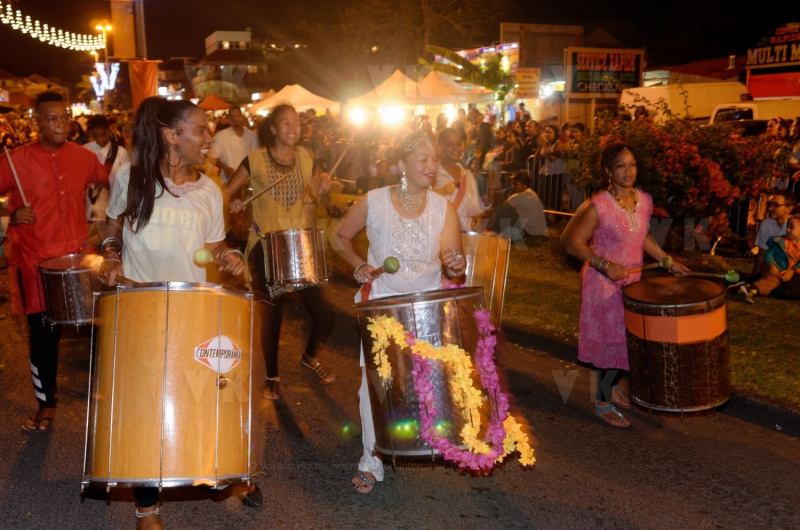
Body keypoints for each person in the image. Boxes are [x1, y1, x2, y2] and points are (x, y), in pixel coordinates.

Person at [101, 97, 249, 529]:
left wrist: (229, 256)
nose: (208, 139)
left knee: (201, 396)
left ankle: (212, 471)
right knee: (147, 407)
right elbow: (111, 228)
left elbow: (215, 244)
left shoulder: (210, 190)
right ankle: (147, 507)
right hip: (140, 308)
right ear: (171, 135)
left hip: (192, 308)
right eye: (200, 130)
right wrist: (110, 257)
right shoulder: (131, 179)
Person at [333, 131, 466, 493]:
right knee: (374, 385)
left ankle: (419, 441)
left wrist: (456, 263)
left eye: (435, 158)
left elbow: (456, 262)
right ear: (402, 165)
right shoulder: (374, 201)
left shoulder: (443, 207)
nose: (432, 165)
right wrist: (358, 264)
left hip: (426, 308)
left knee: (423, 384)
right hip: (381, 304)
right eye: (423, 159)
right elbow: (339, 236)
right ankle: (371, 460)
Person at [0, 91, 107, 432]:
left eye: (64, 117)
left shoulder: (84, 157)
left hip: (78, 258)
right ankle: (46, 404)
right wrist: (10, 214)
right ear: (37, 123)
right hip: (35, 261)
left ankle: (111, 391)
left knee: (99, 326)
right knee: (44, 335)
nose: (60, 124)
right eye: (51, 119)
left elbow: (108, 182)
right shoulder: (15, 159)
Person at [562, 143, 689, 428]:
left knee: (627, 341)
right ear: (608, 171)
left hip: (632, 282)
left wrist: (666, 260)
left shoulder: (644, 200)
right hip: (602, 283)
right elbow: (573, 243)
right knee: (611, 341)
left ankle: (612, 385)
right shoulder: (599, 206)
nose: (628, 171)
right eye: (620, 166)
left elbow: (642, 236)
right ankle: (602, 402)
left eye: (632, 164)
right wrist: (604, 265)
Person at [226, 104, 334, 401]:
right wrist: (235, 202)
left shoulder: (306, 158)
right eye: (285, 123)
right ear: (273, 128)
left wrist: (323, 190)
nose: (292, 128)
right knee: (273, 315)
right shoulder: (255, 160)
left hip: (298, 245)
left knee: (324, 314)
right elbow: (227, 192)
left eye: (296, 123)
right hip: (265, 244)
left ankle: (310, 357)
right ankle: (272, 376)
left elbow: (316, 200)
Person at [434, 127, 493, 231]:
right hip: (440, 234)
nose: (456, 148)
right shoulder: (432, 174)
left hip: (464, 235)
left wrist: (484, 202)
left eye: (458, 144)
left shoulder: (467, 175)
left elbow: (472, 209)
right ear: (439, 147)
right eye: (449, 144)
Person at [741, 211, 800, 302]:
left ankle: (749, 286)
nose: (787, 229)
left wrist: (792, 271)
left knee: (778, 282)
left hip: (785, 272)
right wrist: (771, 264)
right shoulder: (782, 242)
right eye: (787, 226)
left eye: (791, 227)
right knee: (772, 281)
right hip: (773, 267)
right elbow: (770, 253)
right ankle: (753, 290)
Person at [83, 115, 130, 221]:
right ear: (91, 134)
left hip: (114, 206)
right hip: (91, 208)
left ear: (108, 131)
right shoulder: (84, 150)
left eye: (103, 134)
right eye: (96, 135)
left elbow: (127, 180)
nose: (100, 139)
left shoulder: (120, 152)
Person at [486, 171, 547, 238]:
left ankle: (490, 231)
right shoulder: (532, 194)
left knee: (501, 210)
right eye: (513, 183)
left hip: (530, 232)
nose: (513, 186)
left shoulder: (519, 196)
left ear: (524, 185)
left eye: (516, 184)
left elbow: (503, 208)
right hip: (540, 232)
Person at [207, 107, 259, 184]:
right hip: (228, 181)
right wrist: (225, 168)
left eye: (237, 115)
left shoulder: (252, 136)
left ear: (242, 117)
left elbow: (257, 158)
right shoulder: (220, 136)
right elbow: (213, 158)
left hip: (249, 181)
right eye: (231, 116)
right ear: (228, 118)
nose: (234, 118)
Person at [753, 190, 796, 274]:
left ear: (789, 208)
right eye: (769, 204)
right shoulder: (766, 224)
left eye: (775, 205)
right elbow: (762, 254)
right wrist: (756, 275)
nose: (770, 208)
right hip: (772, 271)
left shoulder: (796, 227)